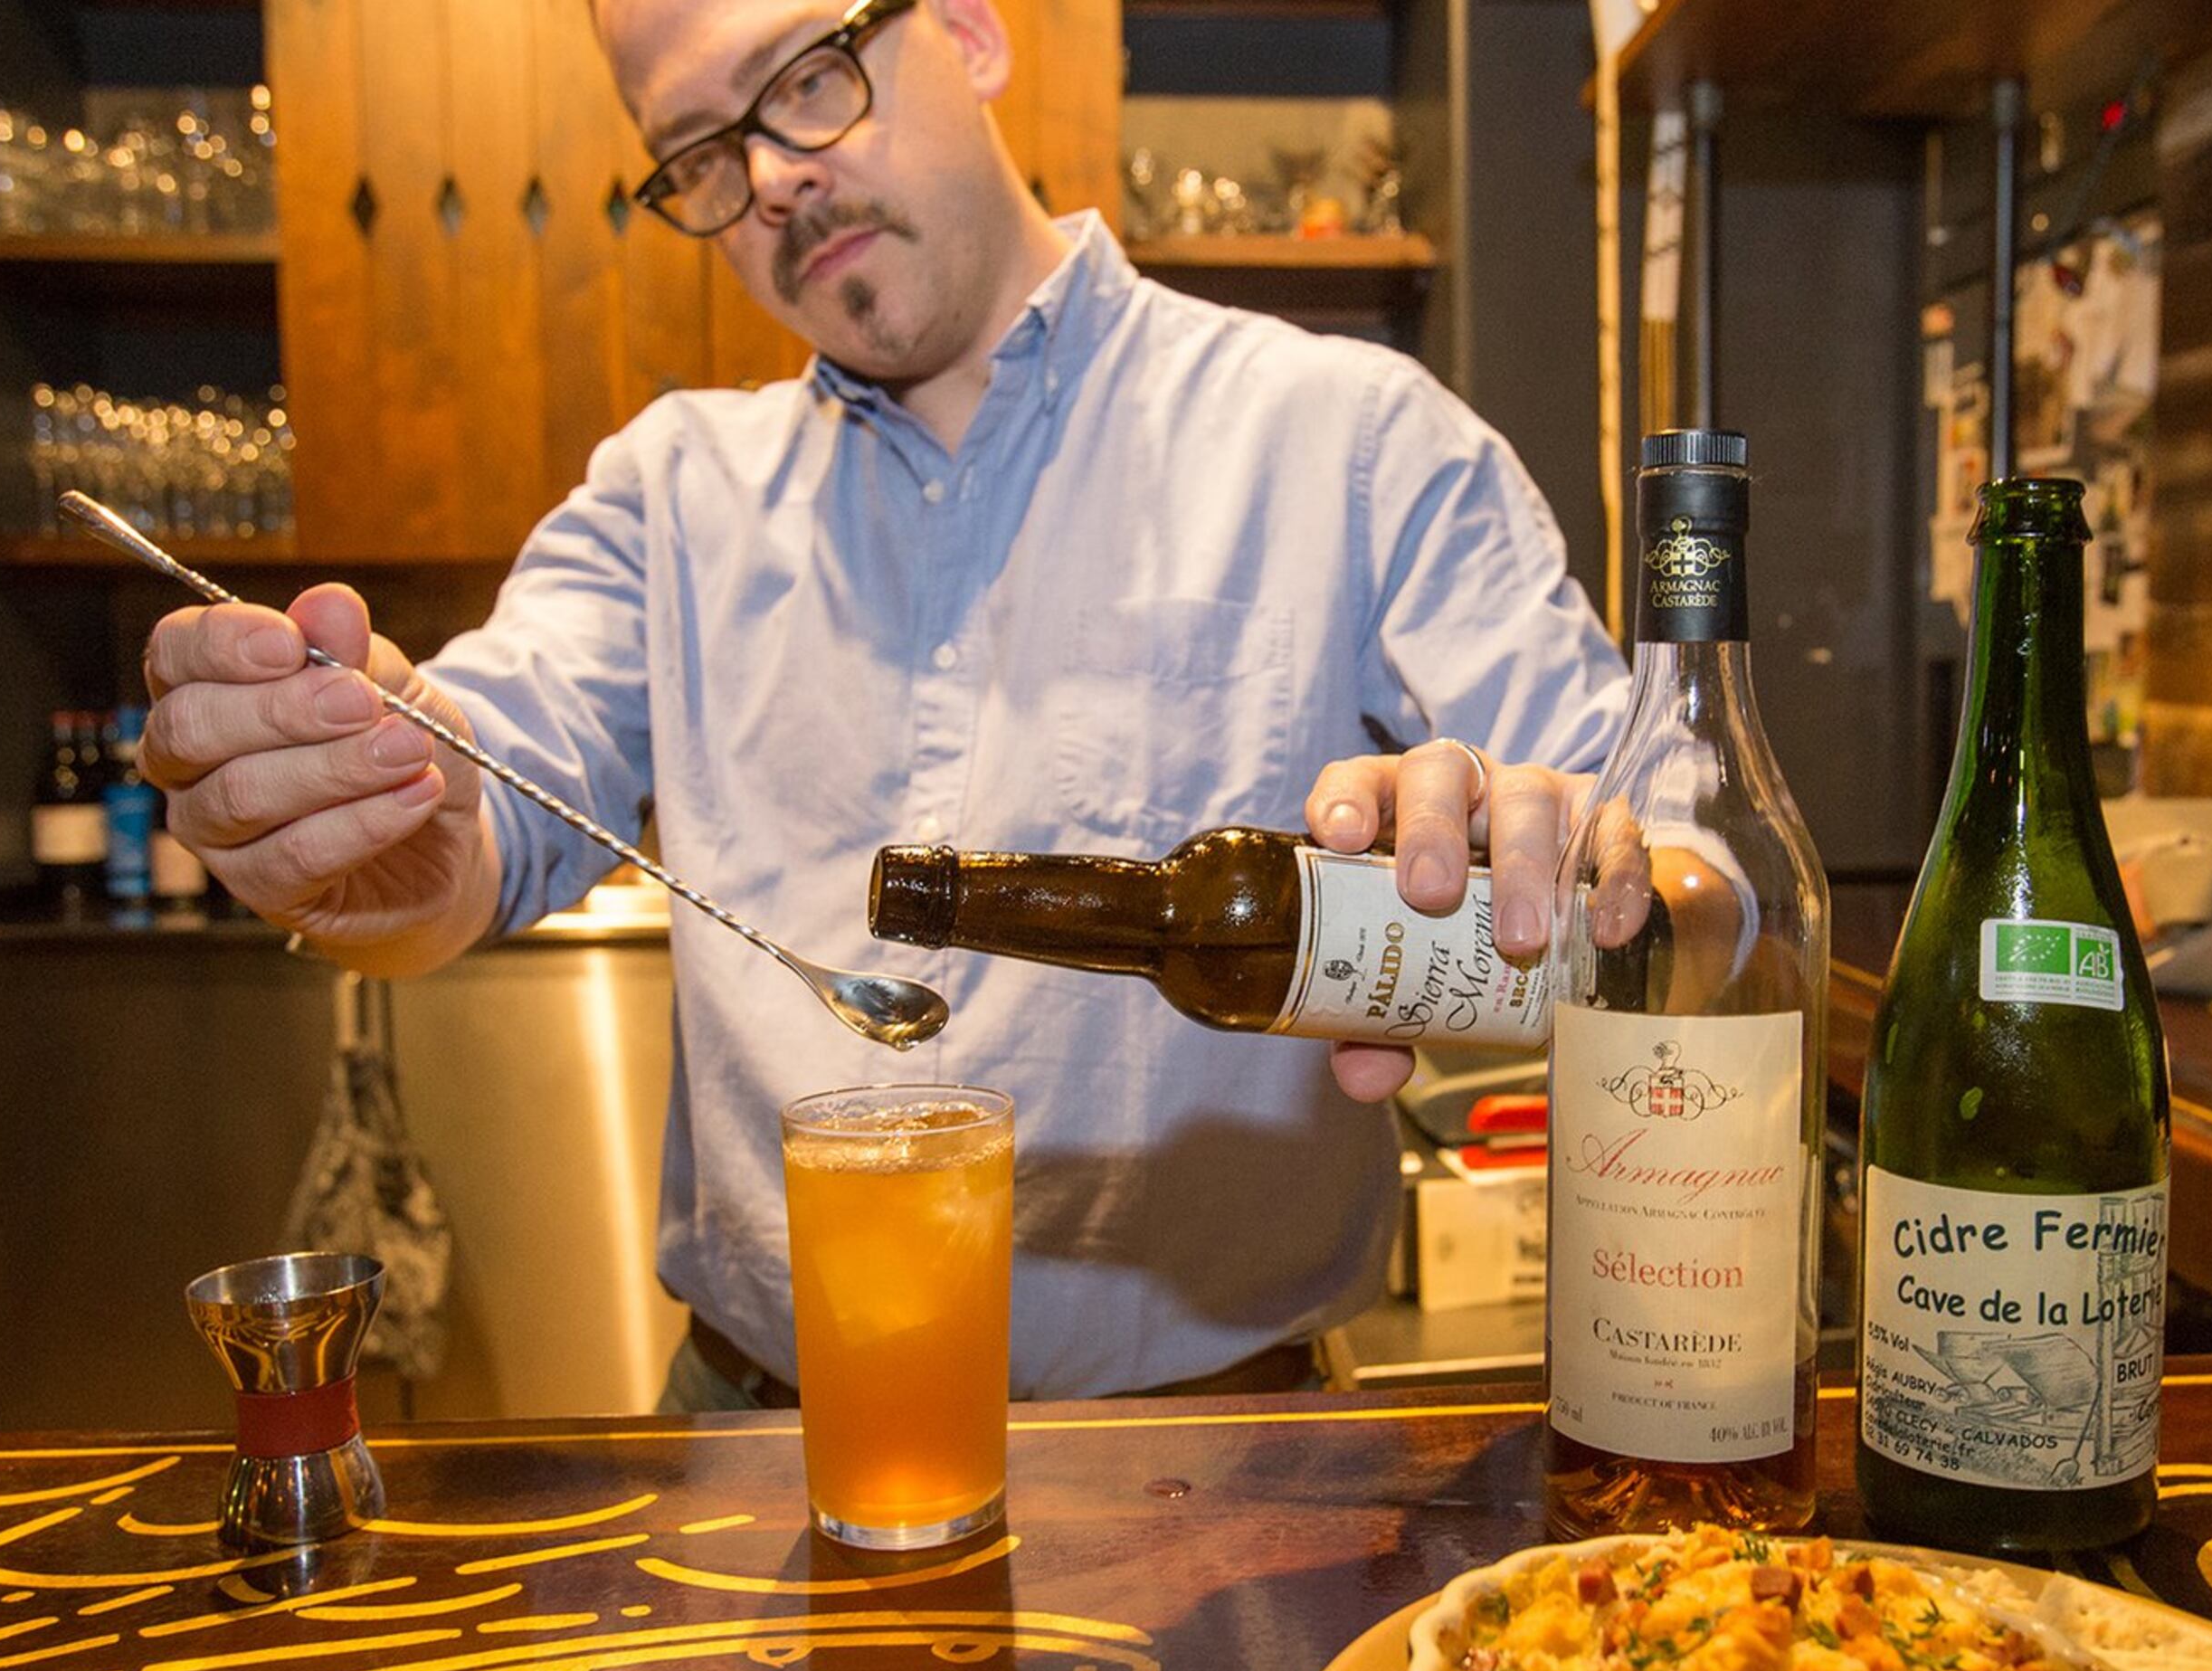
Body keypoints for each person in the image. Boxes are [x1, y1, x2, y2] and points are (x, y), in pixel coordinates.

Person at [138, 0, 1628, 1406]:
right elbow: (470, 824)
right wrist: (363, 805)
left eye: (805, 77)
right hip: (751, 1443)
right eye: (704, 154)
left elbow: (1692, 876)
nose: (774, 177)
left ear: (969, 31)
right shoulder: (668, 494)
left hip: (1215, 1457)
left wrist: (1563, 854)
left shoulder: (1349, 441)